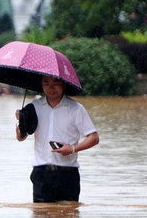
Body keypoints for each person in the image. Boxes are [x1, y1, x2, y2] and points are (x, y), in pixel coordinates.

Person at [16, 75, 99, 203]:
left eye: (56, 83)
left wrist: (72, 149)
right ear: (41, 85)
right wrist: (21, 122)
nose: (51, 87)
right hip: (41, 172)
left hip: (68, 173)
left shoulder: (76, 109)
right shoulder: (33, 107)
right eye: (46, 83)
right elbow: (21, 137)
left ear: (64, 85)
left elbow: (94, 137)